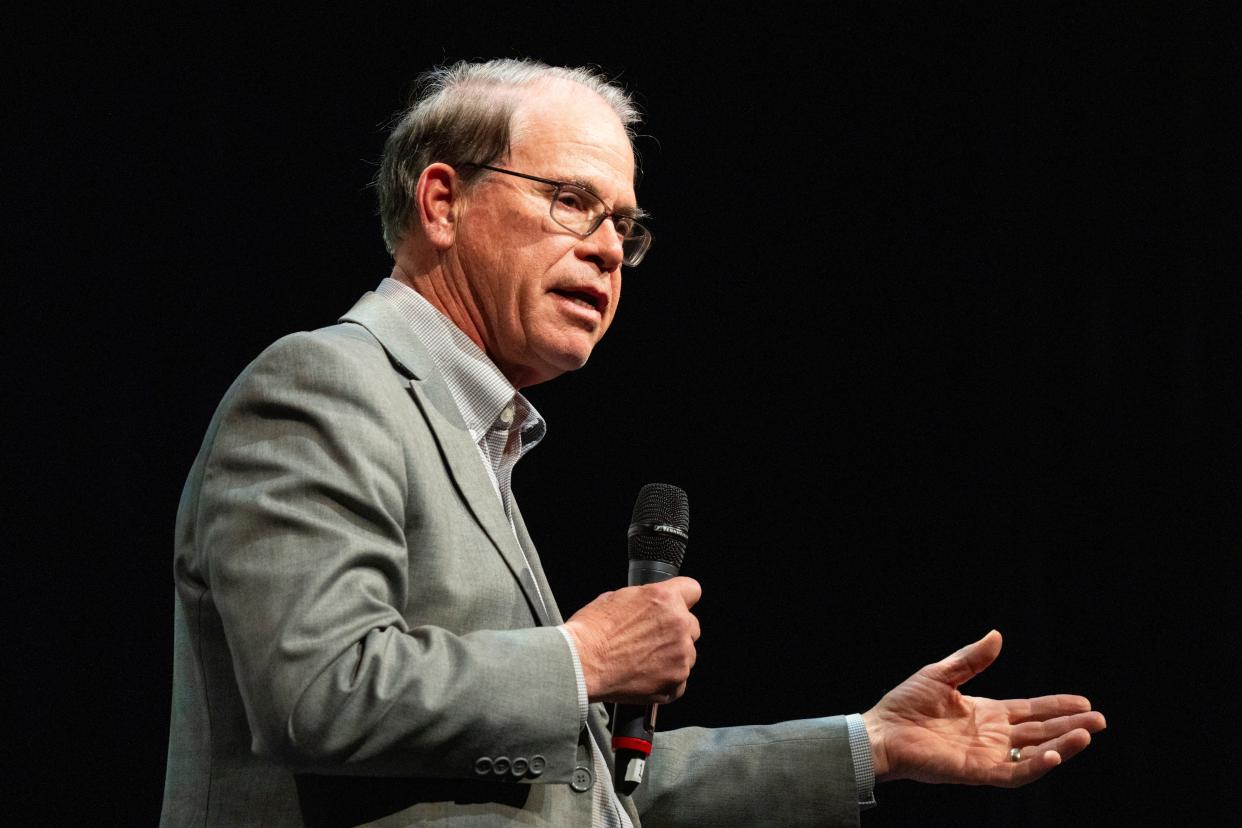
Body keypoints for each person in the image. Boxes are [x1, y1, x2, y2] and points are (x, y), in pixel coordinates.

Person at [161, 59, 1105, 827]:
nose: (610, 248)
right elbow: (317, 690)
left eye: (625, 224)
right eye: (573, 200)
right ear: (441, 202)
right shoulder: (325, 385)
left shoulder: (471, 432)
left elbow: (591, 794)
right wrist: (583, 659)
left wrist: (870, 745)